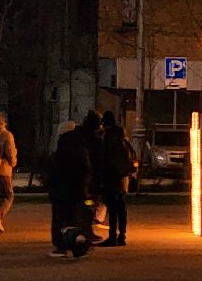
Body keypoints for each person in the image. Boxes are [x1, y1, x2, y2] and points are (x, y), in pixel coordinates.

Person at [47, 120, 94, 258]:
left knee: (60, 219)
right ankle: (79, 246)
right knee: (76, 219)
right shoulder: (81, 146)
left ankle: (61, 246)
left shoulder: (62, 148)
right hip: (78, 190)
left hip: (62, 190)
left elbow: (56, 171)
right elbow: (86, 169)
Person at [99, 110, 136, 247]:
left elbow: (106, 158)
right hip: (122, 177)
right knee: (121, 208)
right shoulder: (122, 137)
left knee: (113, 209)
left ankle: (112, 237)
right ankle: (122, 236)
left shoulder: (109, 137)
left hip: (112, 177)